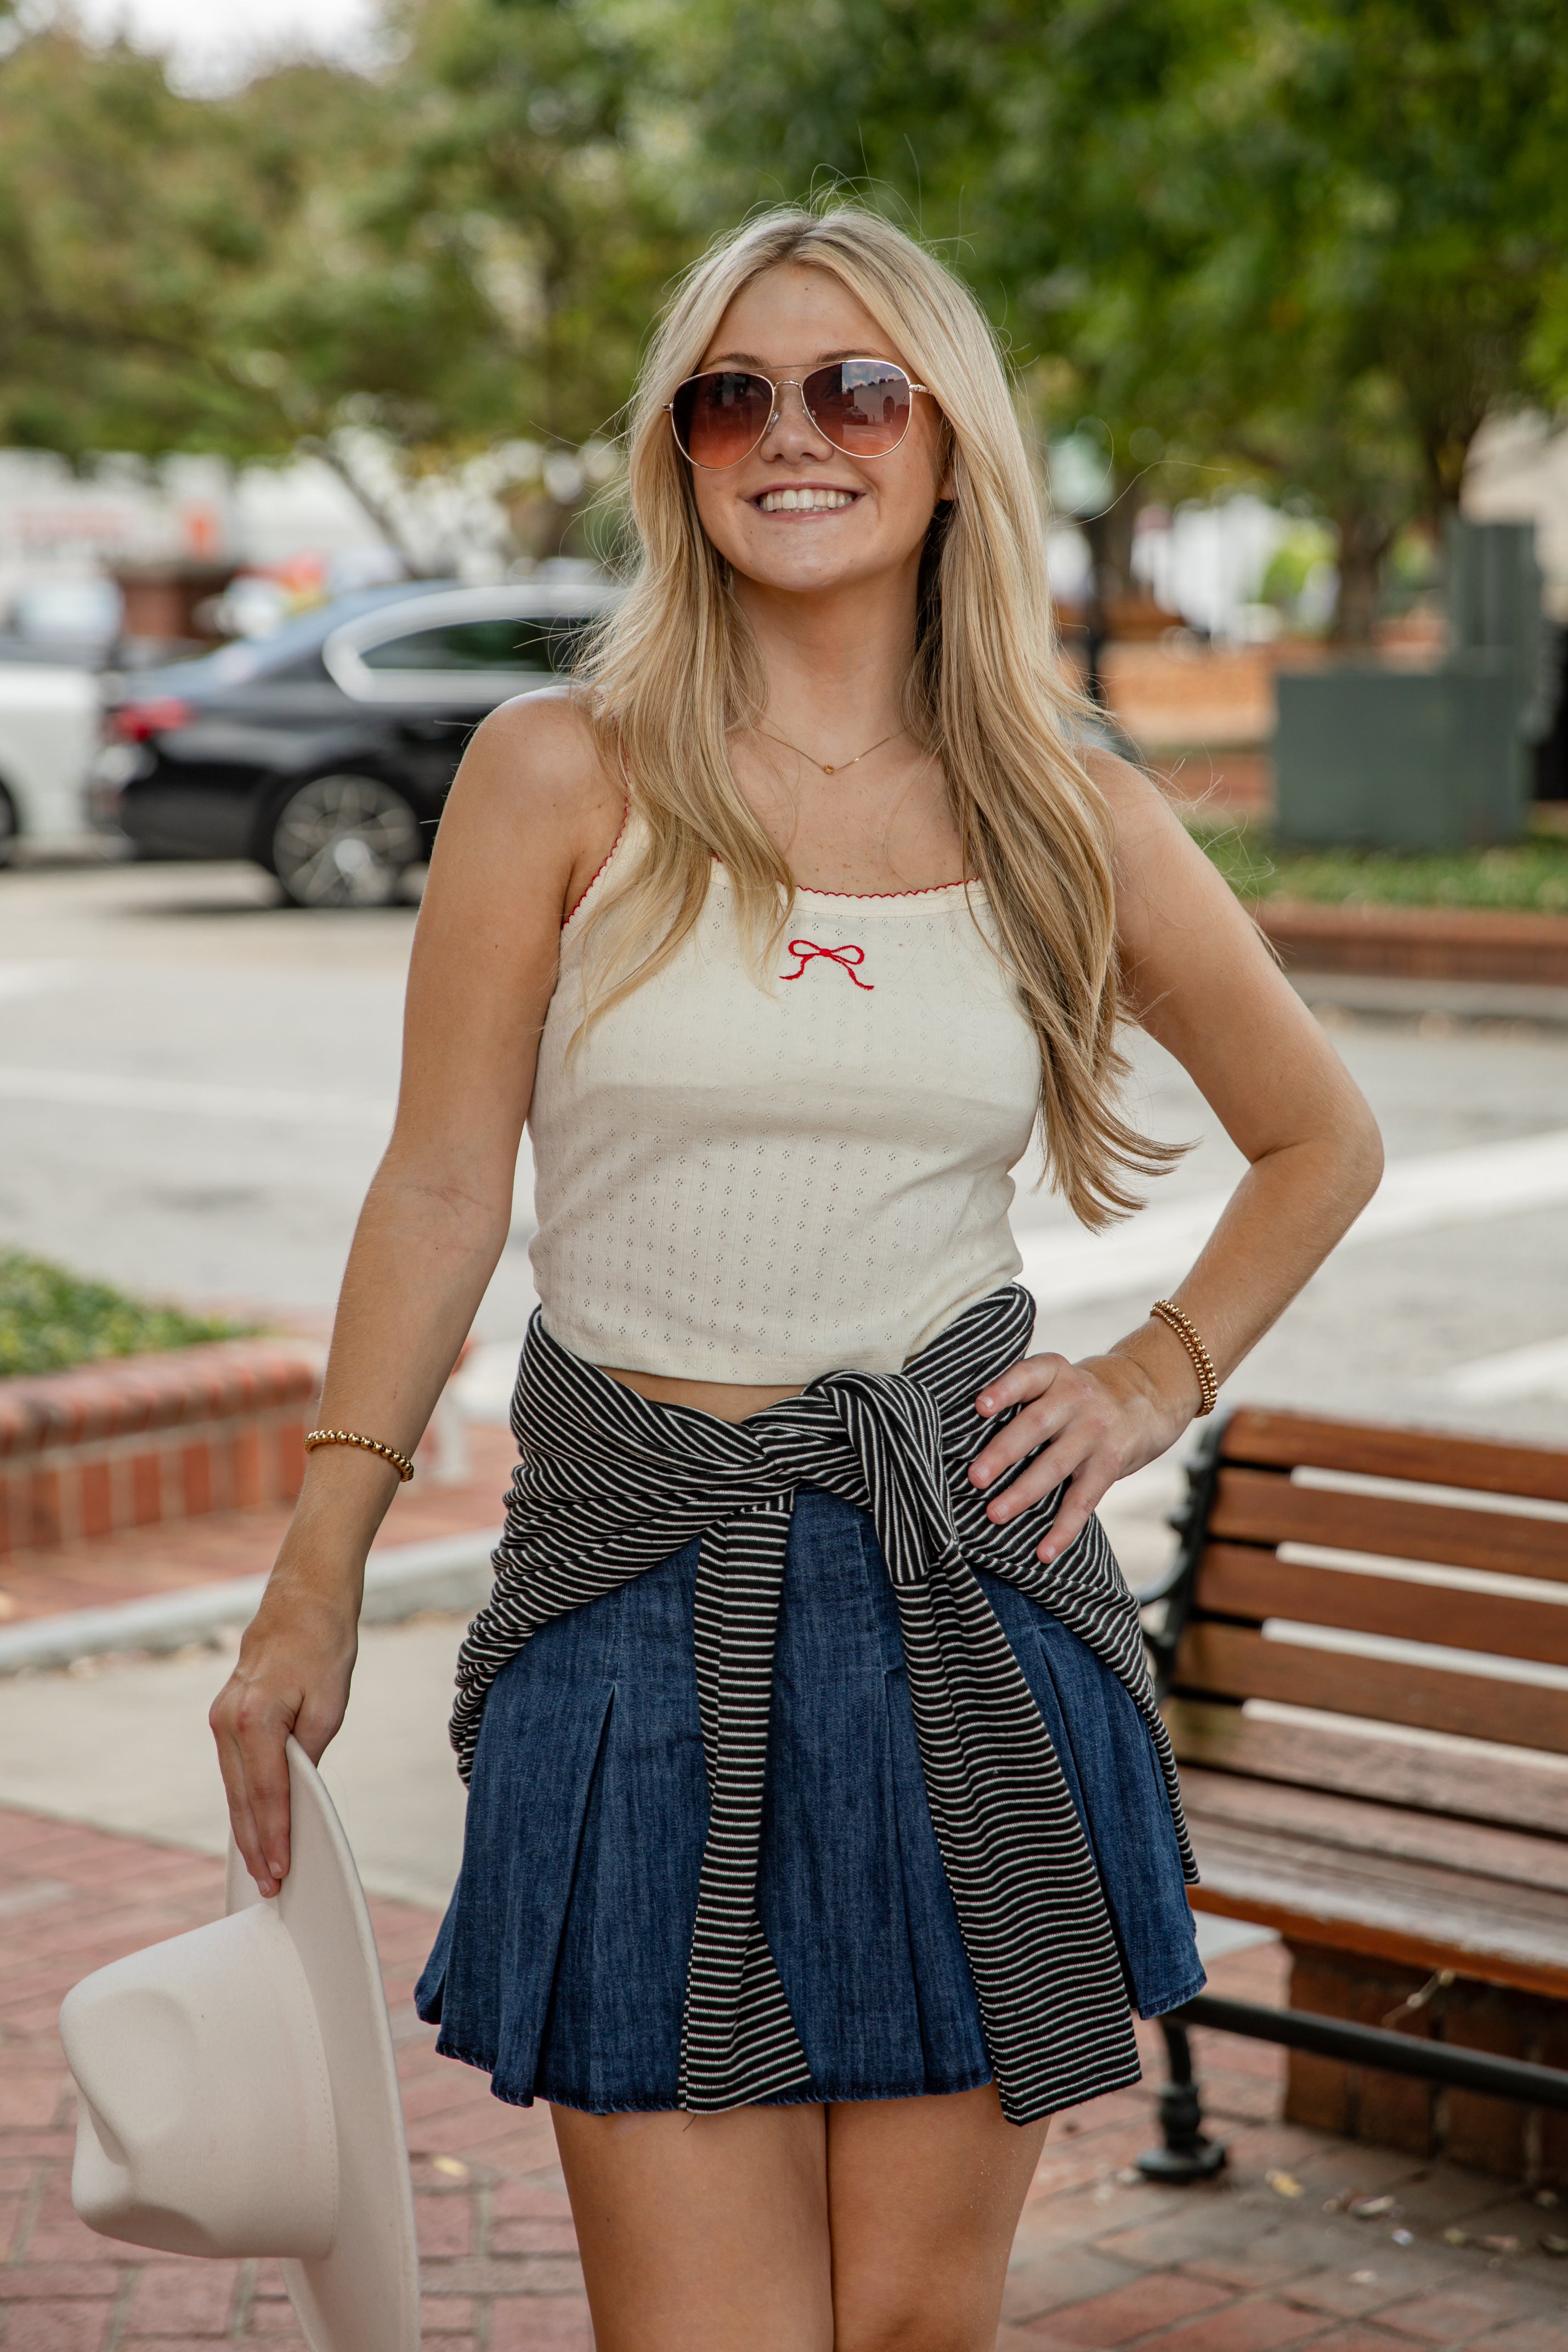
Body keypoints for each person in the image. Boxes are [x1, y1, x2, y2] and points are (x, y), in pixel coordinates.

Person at [211, 206, 1382, 2352]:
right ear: (676, 452)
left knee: (911, 2331)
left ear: (949, 446)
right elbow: (445, 1182)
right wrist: (312, 1567)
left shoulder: (1066, 807)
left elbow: (1325, 1135)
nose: (792, 433)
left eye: (855, 387)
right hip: (633, 1595)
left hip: (969, 1601)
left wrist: (1156, 1370)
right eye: (731, 393)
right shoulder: (553, 773)